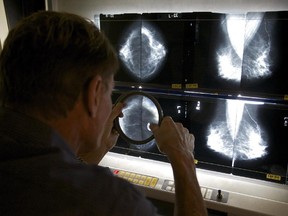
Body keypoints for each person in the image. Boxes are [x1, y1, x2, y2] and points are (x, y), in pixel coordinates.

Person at [0, 11, 207, 216]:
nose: (110, 107)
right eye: (109, 94)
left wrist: (93, 154)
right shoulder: (114, 203)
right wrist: (183, 159)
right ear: (94, 94)